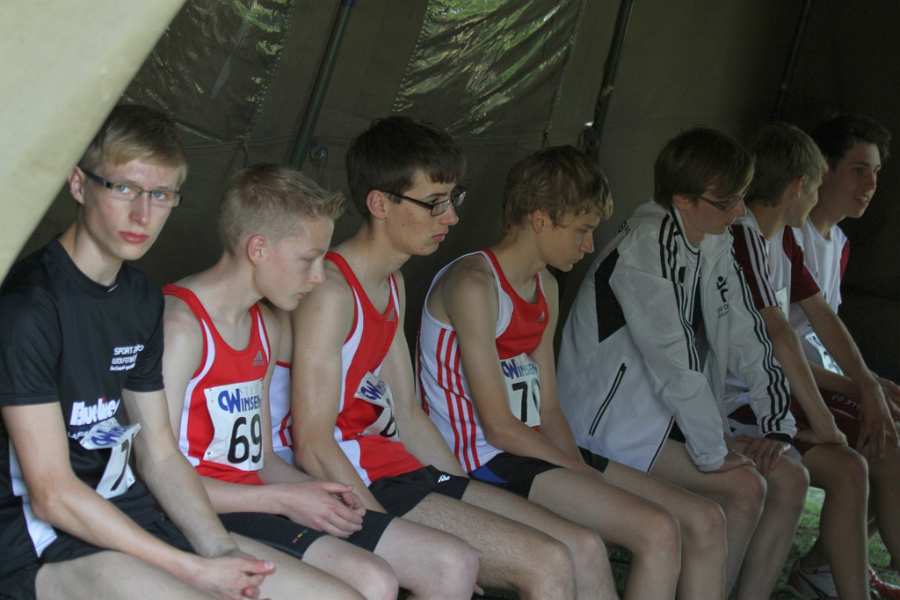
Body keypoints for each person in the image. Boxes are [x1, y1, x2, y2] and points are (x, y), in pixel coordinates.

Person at [0, 105, 360, 600]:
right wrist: (193, 570)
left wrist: (220, 551)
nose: (142, 215)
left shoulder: (141, 298)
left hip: (127, 511)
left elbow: (161, 452)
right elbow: (52, 494)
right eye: (123, 188)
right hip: (40, 538)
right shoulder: (28, 307)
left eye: (161, 194)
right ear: (79, 185)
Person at [288, 116, 618, 600]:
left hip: (402, 468)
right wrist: (384, 531)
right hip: (362, 480)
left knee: (583, 546)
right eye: (434, 203)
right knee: (546, 562)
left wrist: (462, 494)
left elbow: (408, 413)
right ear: (380, 203)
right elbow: (313, 444)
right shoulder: (332, 293)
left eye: (453, 199)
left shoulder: (391, 283)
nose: (452, 218)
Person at [417, 145, 729, 600]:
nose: (588, 246)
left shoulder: (545, 285)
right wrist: (579, 473)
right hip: (481, 457)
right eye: (582, 230)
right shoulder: (473, 284)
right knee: (654, 529)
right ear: (541, 219)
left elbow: (547, 407)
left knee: (702, 518)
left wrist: (577, 467)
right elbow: (498, 426)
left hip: (529, 448)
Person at [162, 163, 484, 600]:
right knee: (372, 581)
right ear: (258, 249)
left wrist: (319, 493)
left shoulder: (263, 326)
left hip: (253, 501)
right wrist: (287, 498)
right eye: (307, 260)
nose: (318, 276)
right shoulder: (180, 328)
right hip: (194, 514)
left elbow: (259, 460)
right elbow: (158, 474)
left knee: (432, 566)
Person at [558, 127, 812, 600]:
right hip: (604, 430)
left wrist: (776, 425)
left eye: (741, 197)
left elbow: (748, 333)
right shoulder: (645, 248)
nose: (740, 212)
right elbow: (675, 363)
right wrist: (713, 450)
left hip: (660, 422)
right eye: (726, 202)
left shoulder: (711, 239)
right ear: (682, 199)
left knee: (779, 476)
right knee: (742, 488)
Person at [732, 117, 900, 598]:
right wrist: (847, 399)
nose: (871, 185)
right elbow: (781, 338)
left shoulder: (803, 239)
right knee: (881, 451)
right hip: (758, 397)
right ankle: (824, 572)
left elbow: (821, 319)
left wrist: (868, 384)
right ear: (806, 181)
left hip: (783, 390)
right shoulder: (755, 234)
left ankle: (827, 568)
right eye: (858, 170)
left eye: (877, 173)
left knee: (874, 444)